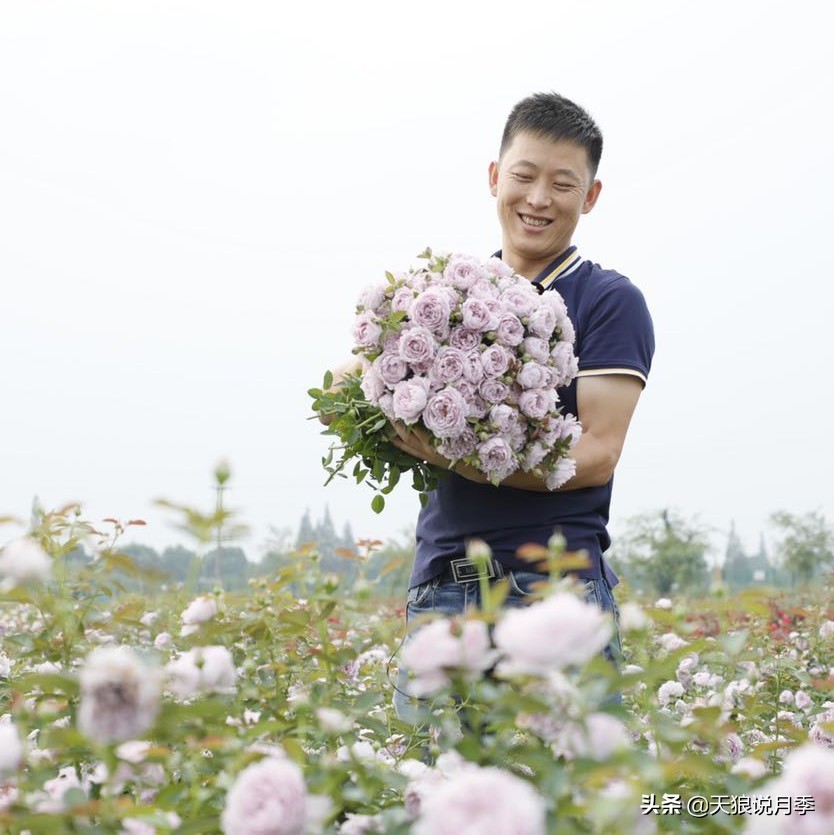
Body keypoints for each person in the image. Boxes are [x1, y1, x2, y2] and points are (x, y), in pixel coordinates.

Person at [386, 92, 655, 717]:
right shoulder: (446, 294)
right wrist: (361, 384)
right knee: (438, 803)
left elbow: (595, 454)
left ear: (589, 197)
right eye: (524, 177)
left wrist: (462, 458)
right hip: (444, 592)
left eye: (563, 184)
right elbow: (351, 377)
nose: (538, 200)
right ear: (494, 178)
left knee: (571, 802)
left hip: (555, 592)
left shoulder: (607, 301)